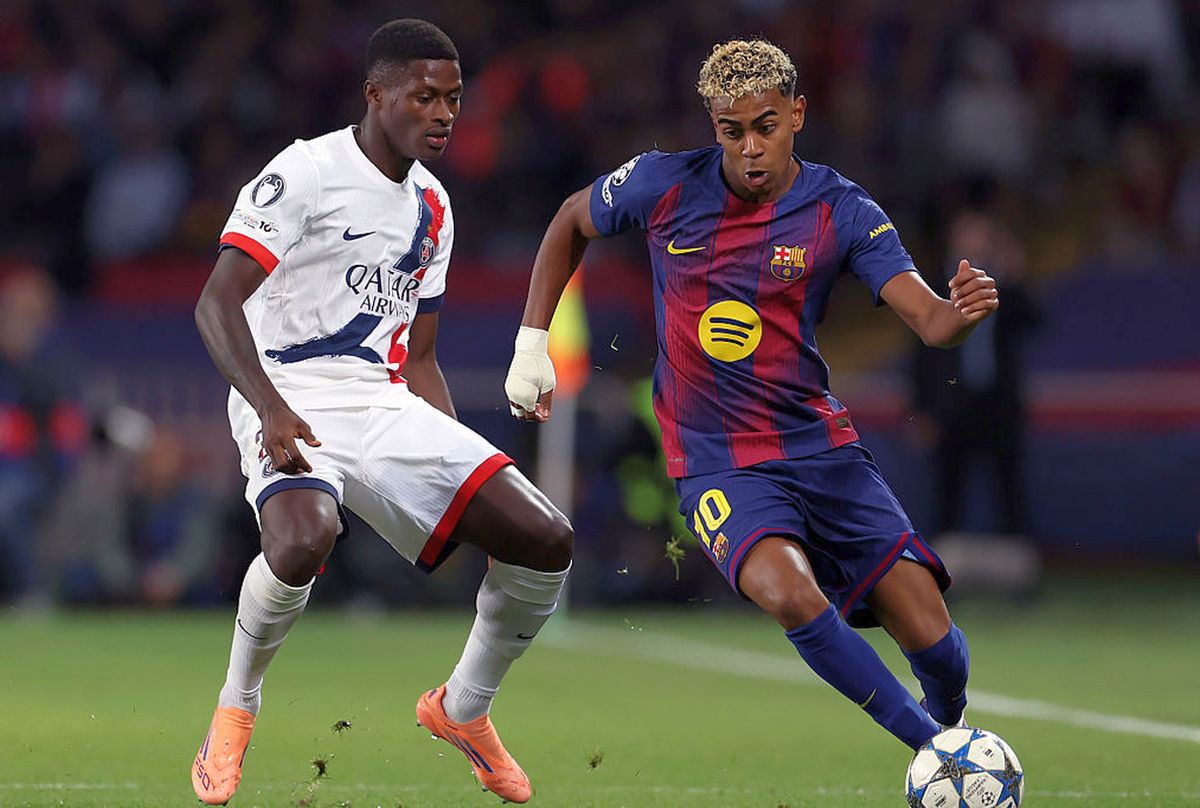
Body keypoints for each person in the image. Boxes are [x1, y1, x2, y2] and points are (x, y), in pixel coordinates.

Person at [507, 39, 999, 753]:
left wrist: (961, 314)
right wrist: (531, 345)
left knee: (937, 645)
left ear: (797, 114)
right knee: (789, 593)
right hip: (717, 462)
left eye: (765, 127)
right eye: (731, 131)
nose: (749, 149)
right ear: (713, 127)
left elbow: (930, 320)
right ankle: (932, 750)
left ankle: (946, 717)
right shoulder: (663, 185)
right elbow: (569, 221)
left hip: (821, 449)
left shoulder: (840, 209)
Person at [191, 20, 572, 806]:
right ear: (376, 94)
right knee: (304, 538)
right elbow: (215, 303)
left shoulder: (433, 205)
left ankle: (464, 708)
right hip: (287, 389)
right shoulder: (305, 172)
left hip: (382, 399)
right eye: (425, 96)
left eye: (454, 99)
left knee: (544, 540)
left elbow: (420, 357)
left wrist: (457, 464)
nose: (444, 114)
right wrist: (269, 408)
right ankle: (236, 705)